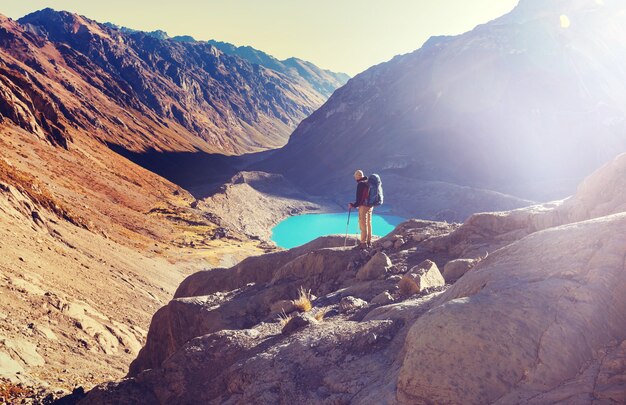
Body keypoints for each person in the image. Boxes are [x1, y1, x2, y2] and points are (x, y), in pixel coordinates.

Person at [348, 170, 373, 249]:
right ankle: (369, 241)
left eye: (355, 176)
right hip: (371, 206)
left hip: (364, 206)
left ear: (358, 177)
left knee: (362, 224)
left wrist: (353, 205)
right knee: (369, 223)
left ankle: (363, 243)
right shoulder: (368, 182)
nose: (355, 178)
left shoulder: (360, 184)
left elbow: (359, 199)